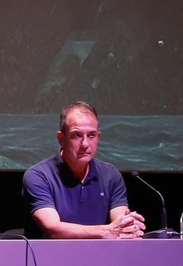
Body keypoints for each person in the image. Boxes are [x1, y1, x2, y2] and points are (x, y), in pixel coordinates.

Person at [21, 100, 146, 239]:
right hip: (50, 253)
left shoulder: (111, 175)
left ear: (98, 137)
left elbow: (119, 223)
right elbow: (53, 228)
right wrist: (106, 231)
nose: (85, 144)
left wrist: (128, 226)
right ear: (61, 139)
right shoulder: (38, 176)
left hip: (100, 253)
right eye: (77, 135)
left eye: (91, 135)